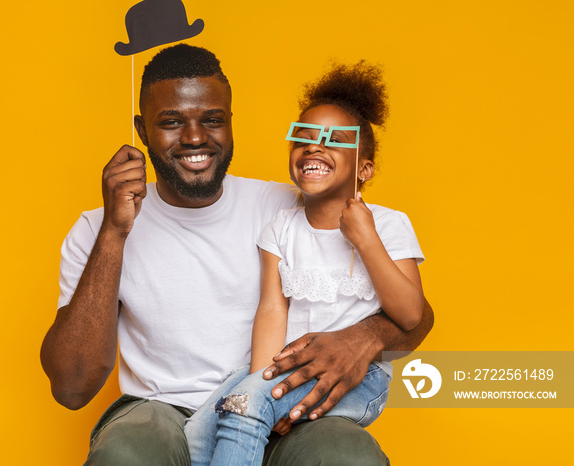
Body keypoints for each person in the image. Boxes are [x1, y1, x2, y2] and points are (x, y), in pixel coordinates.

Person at [40, 44, 434, 465]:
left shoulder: (295, 208)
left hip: (282, 408)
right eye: (171, 122)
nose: (194, 137)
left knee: (345, 454)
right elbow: (71, 387)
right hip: (161, 412)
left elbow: (417, 317)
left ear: (230, 124)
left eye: (212, 120)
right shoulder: (98, 229)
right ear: (141, 130)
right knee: (126, 453)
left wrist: (363, 339)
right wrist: (115, 234)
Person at [185, 61, 424, 466]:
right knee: (196, 436)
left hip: (360, 379)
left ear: (364, 169)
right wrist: (261, 380)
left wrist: (366, 240)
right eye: (304, 139)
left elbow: (411, 314)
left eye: (334, 140)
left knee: (243, 413)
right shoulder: (281, 227)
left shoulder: (388, 224)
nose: (315, 147)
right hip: (283, 366)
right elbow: (273, 308)